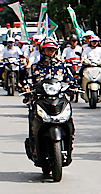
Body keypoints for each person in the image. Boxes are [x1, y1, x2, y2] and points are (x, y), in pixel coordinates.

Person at [26, 39, 76, 175]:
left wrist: (74, 87)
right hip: (41, 101)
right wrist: (26, 86)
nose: (50, 52)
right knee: (33, 121)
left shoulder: (62, 66)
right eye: (48, 49)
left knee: (69, 120)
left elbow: (70, 79)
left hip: (59, 101)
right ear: (42, 51)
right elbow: (28, 80)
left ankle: (70, 142)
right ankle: (35, 146)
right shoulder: (37, 67)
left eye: (52, 50)